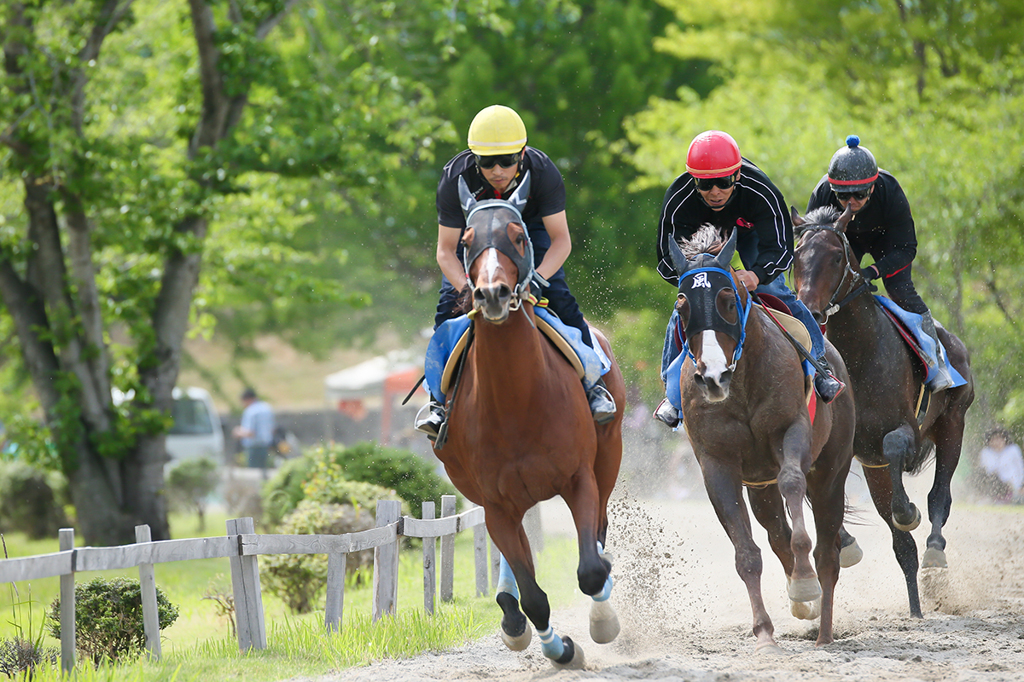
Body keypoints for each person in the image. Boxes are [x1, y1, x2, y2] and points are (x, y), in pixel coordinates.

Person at [414, 104, 616, 437]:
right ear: (473, 158)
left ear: (522, 154)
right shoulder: (454, 177)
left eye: (506, 160)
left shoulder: (544, 171)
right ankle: (438, 403)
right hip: (476, 242)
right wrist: (467, 289)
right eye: (486, 162)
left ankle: (593, 386)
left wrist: (537, 279)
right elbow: (445, 250)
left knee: (562, 300)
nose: (497, 170)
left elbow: (561, 241)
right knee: (444, 311)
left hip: (527, 233)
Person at [653, 130, 844, 427]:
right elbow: (666, 262)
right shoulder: (679, 200)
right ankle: (672, 396)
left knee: (776, 291)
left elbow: (780, 250)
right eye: (705, 184)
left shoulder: (761, 191)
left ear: (737, 176)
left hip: (754, 238)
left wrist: (756, 275)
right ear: (694, 181)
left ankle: (821, 369)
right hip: (701, 248)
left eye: (723, 183)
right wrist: (699, 283)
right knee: (688, 304)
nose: (715, 191)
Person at [806, 135, 954, 391]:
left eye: (859, 195)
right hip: (844, 239)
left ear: (872, 188)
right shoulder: (821, 193)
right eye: (842, 196)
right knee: (821, 292)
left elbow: (907, 248)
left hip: (886, 240)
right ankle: (812, 361)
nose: (850, 203)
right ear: (833, 191)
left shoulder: (891, 191)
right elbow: (810, 245)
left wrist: (874, 271)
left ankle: (936, 358)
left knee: (900, 290)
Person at [232, 387, 275, 479]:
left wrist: (238, 432)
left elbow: (250, 432)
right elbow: (272, 429)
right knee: (264, 473)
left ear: (247, 399)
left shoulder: (251, 411)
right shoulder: (267, 408)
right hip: (266, 445)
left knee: (253, 474)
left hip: (253, 447)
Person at [977, 426, 1024, 503]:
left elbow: (1020, 468)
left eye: (999, 439)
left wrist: (1021, 485)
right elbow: (986, 471)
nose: (997, 442)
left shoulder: (1013, 450)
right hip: (995, 484)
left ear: (1005, 439)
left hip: (1013, 485)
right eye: (994, 439)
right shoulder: (986, 452)